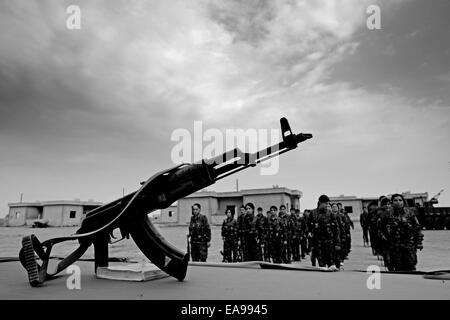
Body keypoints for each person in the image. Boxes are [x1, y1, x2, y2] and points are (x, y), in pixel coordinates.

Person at [382, 194, 424, 271]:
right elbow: (381, 230)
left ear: (403, 202)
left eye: (400, 200)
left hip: (409, 246)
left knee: (410, 267)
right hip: (394, 248)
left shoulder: (410, 213)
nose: (398, 202)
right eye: (395, 200)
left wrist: (419, 242)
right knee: (397, 268)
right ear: (392, 202)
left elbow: (417, 228)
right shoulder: (386, 215)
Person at [312, 195, 340, 269]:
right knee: (322, 265)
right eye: (326, 203)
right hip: (318, 243)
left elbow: (336, 229)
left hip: (329, 242)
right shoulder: (313, 213)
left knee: (331, 264)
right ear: (320, 202)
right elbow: (308, 228)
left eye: (328, 204)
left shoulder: (330, 213)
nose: (327, 205)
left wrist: (337, 243)